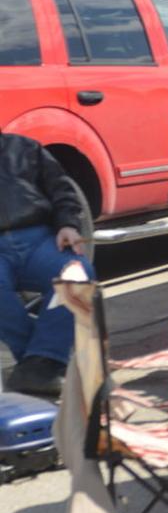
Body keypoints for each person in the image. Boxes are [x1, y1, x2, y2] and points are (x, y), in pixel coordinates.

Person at [0, 131, 95, 396]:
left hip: (39, 237)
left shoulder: (25, 147)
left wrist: (68, 225)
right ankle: (42, 363)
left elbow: (62, 190)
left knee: (77, 273)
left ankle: (36, 365)